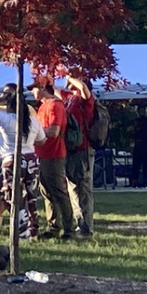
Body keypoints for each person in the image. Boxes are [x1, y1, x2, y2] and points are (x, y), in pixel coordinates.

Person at [0, 84, 45, 238]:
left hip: (12, 160)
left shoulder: (6, 118)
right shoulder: (33, 121)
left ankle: (22, 230)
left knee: (13, 196)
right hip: (32, 160)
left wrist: (1, 97)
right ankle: (33, 230)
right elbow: (42, 140)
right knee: (31, 196)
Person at [31, 80, 78, 240]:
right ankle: (53, 227)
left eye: (34, 88)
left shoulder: (54, 105)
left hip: (54, 155)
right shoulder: (42, 107)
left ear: (43, 88)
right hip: (42, 155)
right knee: (46, 193)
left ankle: (69, 228)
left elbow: (54, 131)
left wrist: (34, 133)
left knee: (59, 192)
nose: (32, 92)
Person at [63, 76, 95, 238]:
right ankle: (79, 223)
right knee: (73, 188)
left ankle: (86, 228)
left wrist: (69, 76)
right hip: (71, 150)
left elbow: (82, 87)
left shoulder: (86, 100)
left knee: (83, 189)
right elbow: (55, 91)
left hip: (83, 150)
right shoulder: (70, 99)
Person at [131, 106, 147, 188]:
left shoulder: (146, 122)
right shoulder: (137, 121)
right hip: (140, 145)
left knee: (145, 164)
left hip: (144, 145)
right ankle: (136, 181)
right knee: (138, 164)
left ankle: (145, 181)